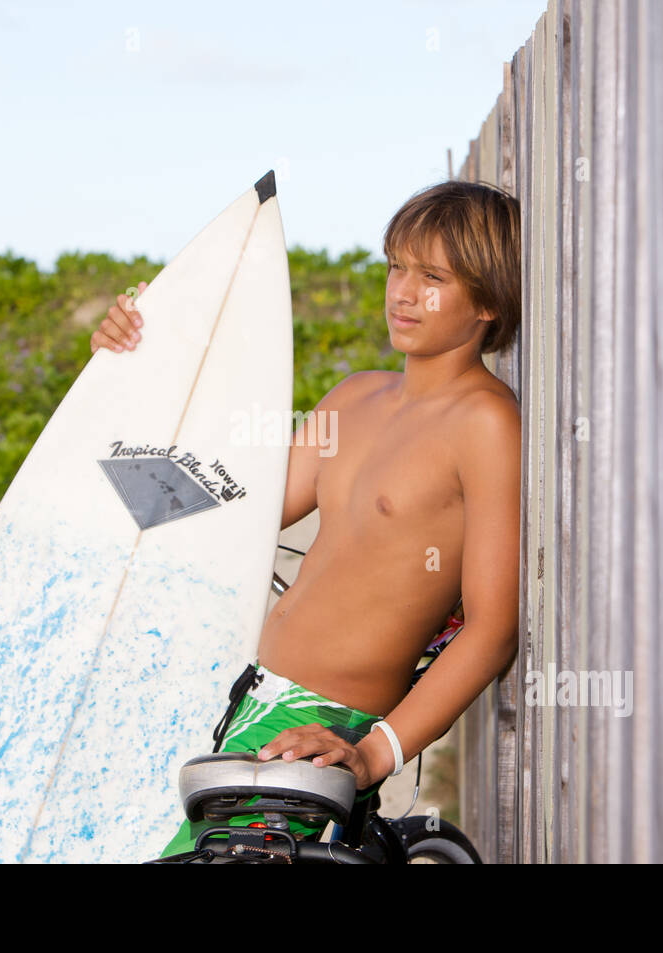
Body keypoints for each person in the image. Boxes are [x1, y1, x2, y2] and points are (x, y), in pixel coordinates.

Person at [91, 180, 522, 857]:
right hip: (245, 699)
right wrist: (132, 367)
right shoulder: (354, 397)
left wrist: (375, 753)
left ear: (490, 301)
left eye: (432, 276)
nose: (402, 292)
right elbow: (219, 512)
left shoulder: (486, 424)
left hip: (318, 729)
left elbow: (493, 631)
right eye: (395, 266)